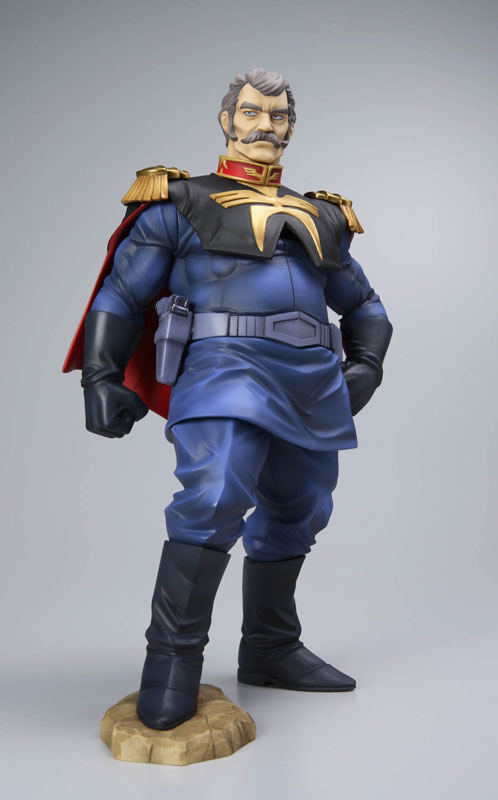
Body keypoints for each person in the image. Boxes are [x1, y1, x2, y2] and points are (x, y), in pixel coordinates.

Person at [63, 68, 392, 731]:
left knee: (301, 507)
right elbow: (122, 294)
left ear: (291, 127)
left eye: (278, 115)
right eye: (251, 112)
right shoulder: (178, 202)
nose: (264, 125)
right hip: (222, 366)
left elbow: (364, 304)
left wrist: (367, 364)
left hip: (310, 378)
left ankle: (270, 647)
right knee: (212, 497)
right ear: (227, 120)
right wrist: (99, 375)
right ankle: (171, 665)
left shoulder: (322, 216)